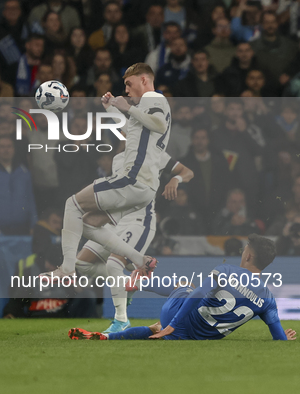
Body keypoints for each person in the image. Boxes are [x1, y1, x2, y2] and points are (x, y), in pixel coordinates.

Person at [41, 63, 171, 284]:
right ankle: (139, 261)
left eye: (129, 84)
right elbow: (133, 132)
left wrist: (128, 108)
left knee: (72, 204)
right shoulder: (147, 107)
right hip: (144, 187)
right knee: (89, 222)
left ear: (144, 80)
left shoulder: (153, 99)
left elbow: (158, 124)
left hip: (133, 180)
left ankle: (67, 269)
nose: (127, 91)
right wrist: (111, 109)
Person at [69, 235, 297, 341]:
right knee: (157, 327)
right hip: (200, 336)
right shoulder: (268, 299)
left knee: (186, 286)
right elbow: (278, 337)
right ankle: (109, 338)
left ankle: (138, 282)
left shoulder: (227, 271)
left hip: (178, 319)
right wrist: (284, 338)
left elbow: (198, 294)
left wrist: (174, 323)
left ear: (248, 255)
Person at [74, 149, 193, 333]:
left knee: (114, 264)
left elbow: (187, 172)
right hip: (115, 222)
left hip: (139, 221)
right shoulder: (118, 159)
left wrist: (175, 179)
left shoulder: (155, 154)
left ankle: (121, 320)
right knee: (81, 263)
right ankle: (136, 281)